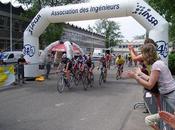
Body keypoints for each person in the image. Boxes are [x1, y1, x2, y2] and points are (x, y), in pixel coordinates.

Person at [123, 43, 175, 130]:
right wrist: (140, 74)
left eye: (142, 53)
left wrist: (135, 77)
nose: (141, 56)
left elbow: (150, 85)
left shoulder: (156, 65)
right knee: (168, 120)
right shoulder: (158, 63)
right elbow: (151, 79)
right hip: (169, 95)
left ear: (147, 54)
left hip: (170, 96)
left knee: (168, 121)